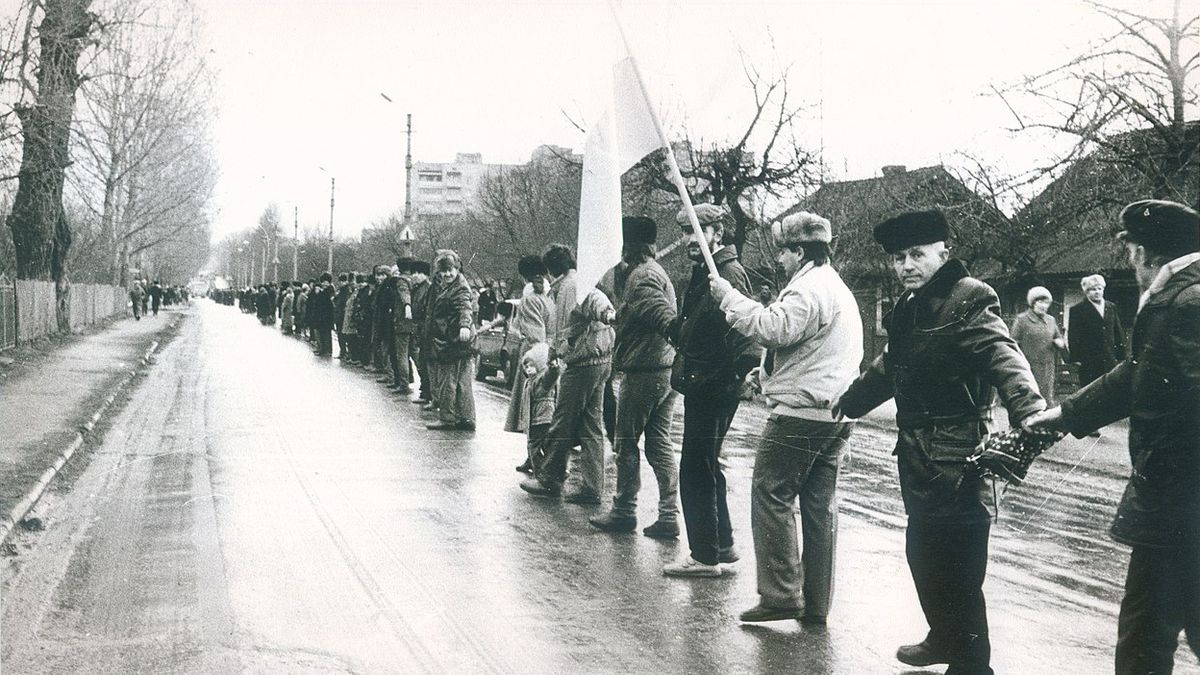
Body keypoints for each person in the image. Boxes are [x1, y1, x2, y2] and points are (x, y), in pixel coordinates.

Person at [835, 209, 1045, 675]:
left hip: (960, 454)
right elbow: (891, 366)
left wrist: (1029, 410)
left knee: (960, 568)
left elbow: (1002, 355)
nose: (906, 265)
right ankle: (944, 636)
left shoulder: (968, 298)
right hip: (917, 454)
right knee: (923, 553)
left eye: (916, 255)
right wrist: (851, 402)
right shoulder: (911, 307)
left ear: (943, 254)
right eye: (897, 258)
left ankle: (972, 665)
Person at [1025, 200, 1200, 675]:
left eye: (1129, 254)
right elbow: (1138, 373)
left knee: (1146, 633)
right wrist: (1062, 415)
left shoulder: (1187, 302)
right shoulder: (1177, 297)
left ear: (1143, 252)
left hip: (1180, 497)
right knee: (1149, 628)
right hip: (1174, 498)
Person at [710, 212, 863, 607]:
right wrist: (764, 379)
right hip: (836, 414)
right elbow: (808, 351)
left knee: (770, 494)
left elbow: (773, 328)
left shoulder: (807, 289)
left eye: (783, 251)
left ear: (799, 251)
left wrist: (729, 297)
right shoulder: (837, 288)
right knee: (818, 508)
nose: (778, 259)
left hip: (800, 415)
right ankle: (816, 603)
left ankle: (780, 595)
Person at [661, 204, 758, 577]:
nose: (688, 239)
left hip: (712, 384)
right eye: (685, 231)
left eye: (695, 231)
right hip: (706, 380)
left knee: (696, 467)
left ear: (717, 231)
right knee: (706, 463)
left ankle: (704, 555)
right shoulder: (708, 272)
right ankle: (722, 543)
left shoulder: (727, 273)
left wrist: (735, 375)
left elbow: (741, 331)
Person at [589, 216, 680, 527]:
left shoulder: (641, 278)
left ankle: (624, 510)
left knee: (626, 441)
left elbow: (660, 313)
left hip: (644, 370)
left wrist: (671, 328)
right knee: (659, 443)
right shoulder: (654, 271)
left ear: (627, 246)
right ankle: (668, 516)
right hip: (664, 369)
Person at [519, 243, 615, 500]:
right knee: (592, 425)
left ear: (551, 270)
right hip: (602, 358)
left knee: (562, 420)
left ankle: (550, 477)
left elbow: (571, 322)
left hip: (582, 362)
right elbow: (597, 304)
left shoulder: (568, 288)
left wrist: (555, 355)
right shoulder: (582, 280)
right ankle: (593, 487)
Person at [492, 255, 556, 473]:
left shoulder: (529, 300)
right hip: (551, 355)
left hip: (533, 357)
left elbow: (534, 335)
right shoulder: (549, 298)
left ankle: (536, 458)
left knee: (531, 410)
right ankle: (535, 457)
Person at [426, 250, 477, 431]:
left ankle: (447, 418)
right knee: (462, 382)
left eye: (450, 270)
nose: (447, 274)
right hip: (458, 341)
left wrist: (464, 325)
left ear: (457, 268)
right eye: (443, 271)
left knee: (448, 381)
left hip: (453, 340)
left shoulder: (460, 287)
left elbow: (465, 307)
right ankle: (466, 418)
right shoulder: (451, 284)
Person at [1068, 273, 1126, 388]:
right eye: (1093, 289)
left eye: (1099, 289)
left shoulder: (1111, 307)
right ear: (1086, 292)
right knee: (1090, 389)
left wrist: (1121, 354)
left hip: (1110, 358)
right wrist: (1076, 358)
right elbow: (1073, 336)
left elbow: (1117, 331)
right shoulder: (1078, 310)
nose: (1097, 292)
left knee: (1110, 388)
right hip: (1089, 360)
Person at [1011, 286, 1066, 404]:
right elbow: (1013, 343)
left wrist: (1059, 342)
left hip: (1047, 367)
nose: (1043, 306)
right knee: (1028, 400)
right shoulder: (1022, 320)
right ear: (1033, 303)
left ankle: (1045, 422)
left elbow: (1058, 336)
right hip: (1028, 367)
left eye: (1046, 303)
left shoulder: (1051, 320)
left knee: (1046, 399)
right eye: (1040, 302)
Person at [408, 261, 433, 404]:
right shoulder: (417, 289)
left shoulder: (427, 289)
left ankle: (427, 393)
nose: (415, 276)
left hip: (424, 328)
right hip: (418, 328)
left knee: (424, 361)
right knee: (421, 361)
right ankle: (425, 392)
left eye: (419, 273)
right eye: (414, 273)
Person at [309, 272, 335, 356]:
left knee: (326, 334)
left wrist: (319, 293)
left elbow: (327, 303)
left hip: (326, 316)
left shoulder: (329, 291)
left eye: (326, 282)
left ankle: (327, 350)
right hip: (321, 316)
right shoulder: (322, 291)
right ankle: (322, 349)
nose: (324, 284)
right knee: (321, 333)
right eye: (323, 282)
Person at [333, 273, 352, 358]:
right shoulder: (341, 290)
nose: (341, 282)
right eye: (340, 281)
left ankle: (344, 351)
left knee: (343, 335)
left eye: (343, 281)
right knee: (340, 334)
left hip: (343, 315)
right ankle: (343, 351)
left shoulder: (346, 291)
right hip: (339, 315)